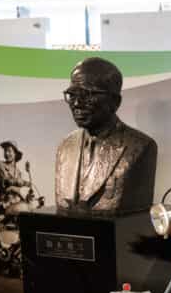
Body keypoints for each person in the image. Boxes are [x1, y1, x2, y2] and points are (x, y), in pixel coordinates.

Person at [55, 57, 158, 212]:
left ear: (115, 102)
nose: (76, 103)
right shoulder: (66, 146)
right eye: (73, 94)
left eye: (87, 95)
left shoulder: (140, 146)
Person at [0, 141, 30, 213]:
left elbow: (20, 186)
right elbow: (6, 181)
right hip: (4, 203)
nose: (7, 153)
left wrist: (28, 184)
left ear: (15, 154)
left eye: (9, 151)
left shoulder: (18, 172)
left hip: (17, 203)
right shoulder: (1, 165)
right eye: (5, 151)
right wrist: (18, 186)